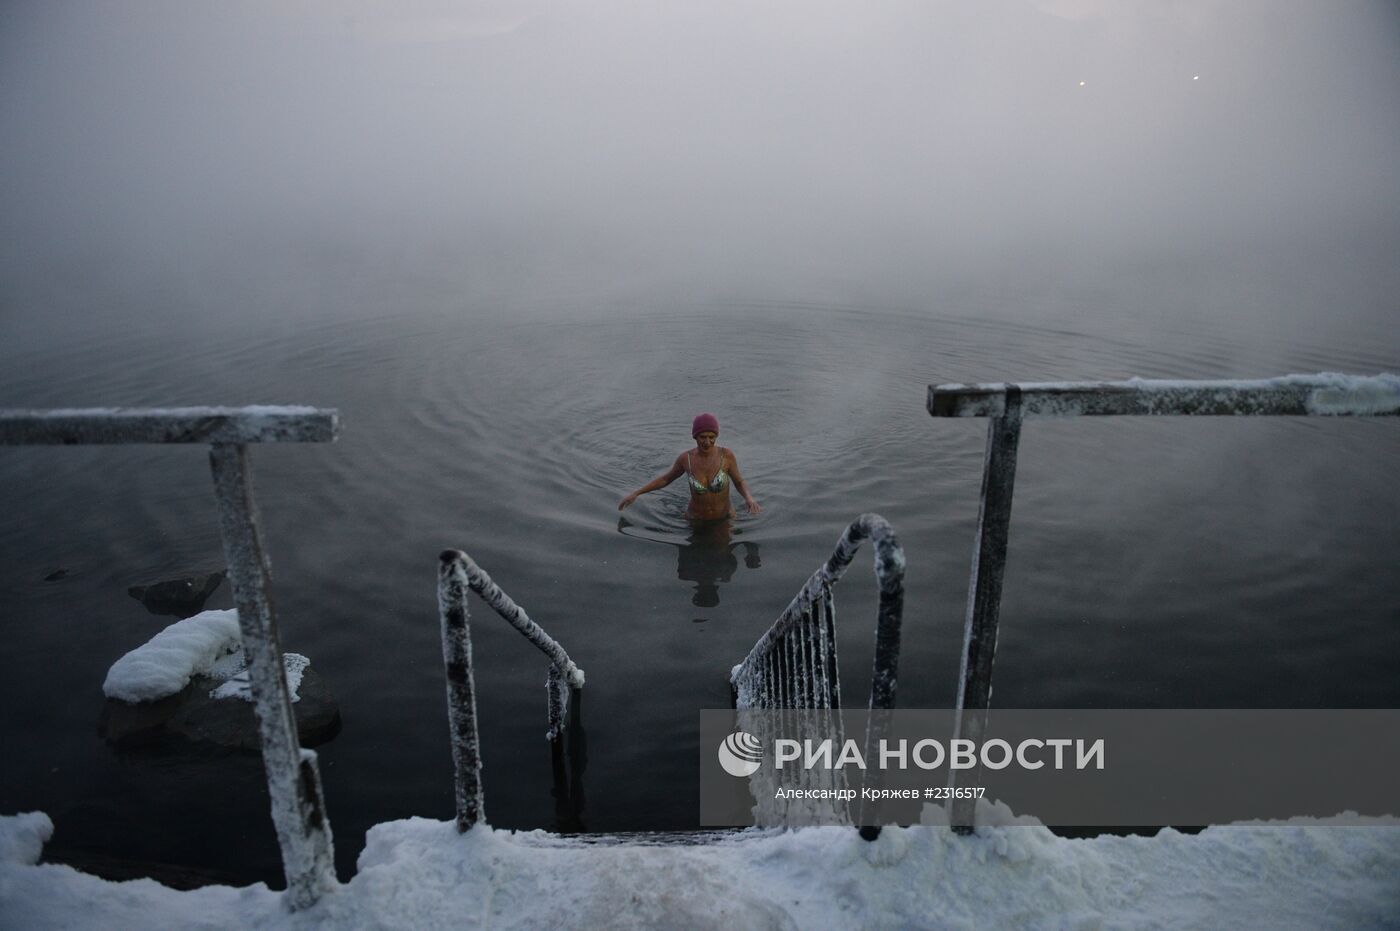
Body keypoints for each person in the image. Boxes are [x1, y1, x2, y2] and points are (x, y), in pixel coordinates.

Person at [618, 413, 761, 520]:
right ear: (695, 437)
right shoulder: (686, 459)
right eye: (702, 437)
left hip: (724, 518)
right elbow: (666, 479)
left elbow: (739, 481)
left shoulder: (726, 455)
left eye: (711, 437)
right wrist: (636, 493)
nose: (707, 441)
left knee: (724, 553)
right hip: (695, 518)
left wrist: (749, 498)